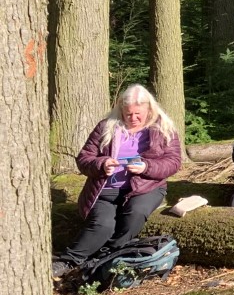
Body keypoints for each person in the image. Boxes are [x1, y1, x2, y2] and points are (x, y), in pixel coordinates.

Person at [52, 84, 183, 278]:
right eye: (128, 114)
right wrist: (102, 164)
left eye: (138, 114)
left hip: (147, 187)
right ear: (121, 109)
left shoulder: (163, 128)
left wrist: (146, 167)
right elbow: (84, 159)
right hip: (106, 188)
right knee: (102, 224)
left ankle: (104, 257)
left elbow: (173, 162)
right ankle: (68, 261)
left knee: (135, 214)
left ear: (149, 109)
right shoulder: (106, 126)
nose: (133, 118)